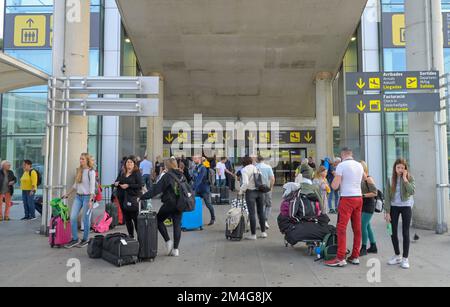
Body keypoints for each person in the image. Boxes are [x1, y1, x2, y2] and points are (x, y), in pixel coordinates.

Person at [325, 147, 364, 267]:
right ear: (351, 154)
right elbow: (363, 179)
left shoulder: (341, 166)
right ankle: (355, 256)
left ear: (342, 155)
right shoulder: (359, 165)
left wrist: (331, 181)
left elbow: (335, 186)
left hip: (347, 198)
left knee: (341, 228)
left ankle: (340, 257)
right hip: (359, 197)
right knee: (357, 228)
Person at [142, 158, 185, 257]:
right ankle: (176, 249)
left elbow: (156, 190)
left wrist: (143, 197)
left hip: (169, 204)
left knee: (158, 220)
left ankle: (168, 241)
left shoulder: (167, 176)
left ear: (167, 166)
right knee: (177, 225)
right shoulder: (181, 175)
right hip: (180, 204)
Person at [385, 158, 416, 270]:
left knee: (405, 233)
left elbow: (412, 191)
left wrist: (405, 179)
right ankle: (397, 255)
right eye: (398, 167)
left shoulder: (409, 178)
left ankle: (405, 258)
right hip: (394, 207)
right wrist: (387, 211)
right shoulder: (390, 179)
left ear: (405, 169)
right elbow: (387, 196)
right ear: (395, 168)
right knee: (392, 232)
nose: (400, 169)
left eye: (402, 168)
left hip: (406, 207)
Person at [63, 154, 97, 248]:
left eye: (82, 159)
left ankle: (85, 239)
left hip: (87, 197)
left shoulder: (91, 172)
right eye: (80, 159)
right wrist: (67, 194)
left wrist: (91, 200)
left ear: (87, 160)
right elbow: (75, 185)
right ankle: (75, 239)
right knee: (73, 217)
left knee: (85, 219)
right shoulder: (79, 170)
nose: (80, 160)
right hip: (78, 197)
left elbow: (92, 187)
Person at [115, 156, 143, 239]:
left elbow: (140, 185)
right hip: (122, 198)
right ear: (125, 164)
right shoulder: (122, 172)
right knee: (127, 219)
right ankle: (131, 236)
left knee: (135, 219)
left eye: (131, 162)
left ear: (134, 164)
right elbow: (117, 181)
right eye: (128, 162)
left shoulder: (136, 173)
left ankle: (140, 238)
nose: (129, 164)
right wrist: (116, 183)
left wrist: (128, 185)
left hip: (132, 198)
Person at [240, 156, 267, 240]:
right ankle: (263, 232)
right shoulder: (256, 168)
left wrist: (241, 191)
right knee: (261, 212)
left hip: (250, 192)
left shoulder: (244, 170)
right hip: (260, 192)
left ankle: (253, 234)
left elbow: (245, 183)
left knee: (252, 214)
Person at [360, 161, 378, 256]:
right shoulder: (360, 179)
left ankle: (363, 247)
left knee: (363, 225)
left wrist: (362, 195)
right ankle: (373, 246)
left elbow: (375, 193)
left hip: (369, 205)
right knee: (367, 226)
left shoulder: (368, 179)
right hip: (362, 205)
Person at [193, 155, 216, 226]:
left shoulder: (203, 168)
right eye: (193, 158)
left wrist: (192, 187)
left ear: (199, 160)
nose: (194, 160)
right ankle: (195, 220)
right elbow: (194, 178)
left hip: (204, 189)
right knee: (194, 204)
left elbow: (199, 179)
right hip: (198, 189)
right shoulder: (196, 167)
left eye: (195, 158)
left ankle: (213, 218)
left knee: (208, 204)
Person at [256, 156, 275, 230]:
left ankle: (261, 221)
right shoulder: (268, 167)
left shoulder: (255, 167)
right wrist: (271, 187)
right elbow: (272, 179)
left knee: (260, 205)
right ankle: (265, 221)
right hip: (266, 188)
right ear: (263, 160)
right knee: (268, 205)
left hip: (257, 189)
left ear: (257, 160)